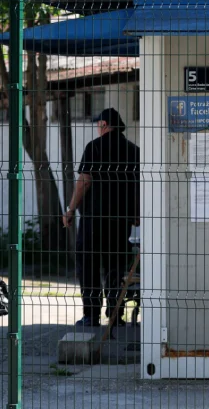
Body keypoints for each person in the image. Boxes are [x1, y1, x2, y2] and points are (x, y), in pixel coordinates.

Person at [62, 107, 140, 327]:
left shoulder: (94, 148)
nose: (97, 128)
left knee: (88, 265)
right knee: (115, 266)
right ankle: (116, 314)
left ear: (104, 125)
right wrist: (136, 213)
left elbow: (84, 181)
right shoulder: (134, 151)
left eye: (98, 124)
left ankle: (91, 315)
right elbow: (139, 186)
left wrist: (70, 209)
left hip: (93, 219)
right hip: (121, 220)